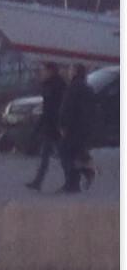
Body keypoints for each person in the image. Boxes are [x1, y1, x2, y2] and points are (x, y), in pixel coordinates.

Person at [25, 62, 66, 191]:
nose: (42, 72)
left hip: (54, 125)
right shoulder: (52, 85)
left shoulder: (55, 86)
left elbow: (53, 108)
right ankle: (38, 182)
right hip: (51, 125)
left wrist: (48, 125)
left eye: (44, 70)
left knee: (61, 155)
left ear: (51, 71)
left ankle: (72, 180)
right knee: (47, 155)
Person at [57, 64, 96, 193]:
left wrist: (63, 125)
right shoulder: (87, 88)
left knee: (65, 153)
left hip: (73, 127)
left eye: (70, 69)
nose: (69, 72)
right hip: (84, 127)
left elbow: (67, 108)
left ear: (75, 72)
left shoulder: (73, 88)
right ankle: (84, 174)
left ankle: (73, 182)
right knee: (75, 152)